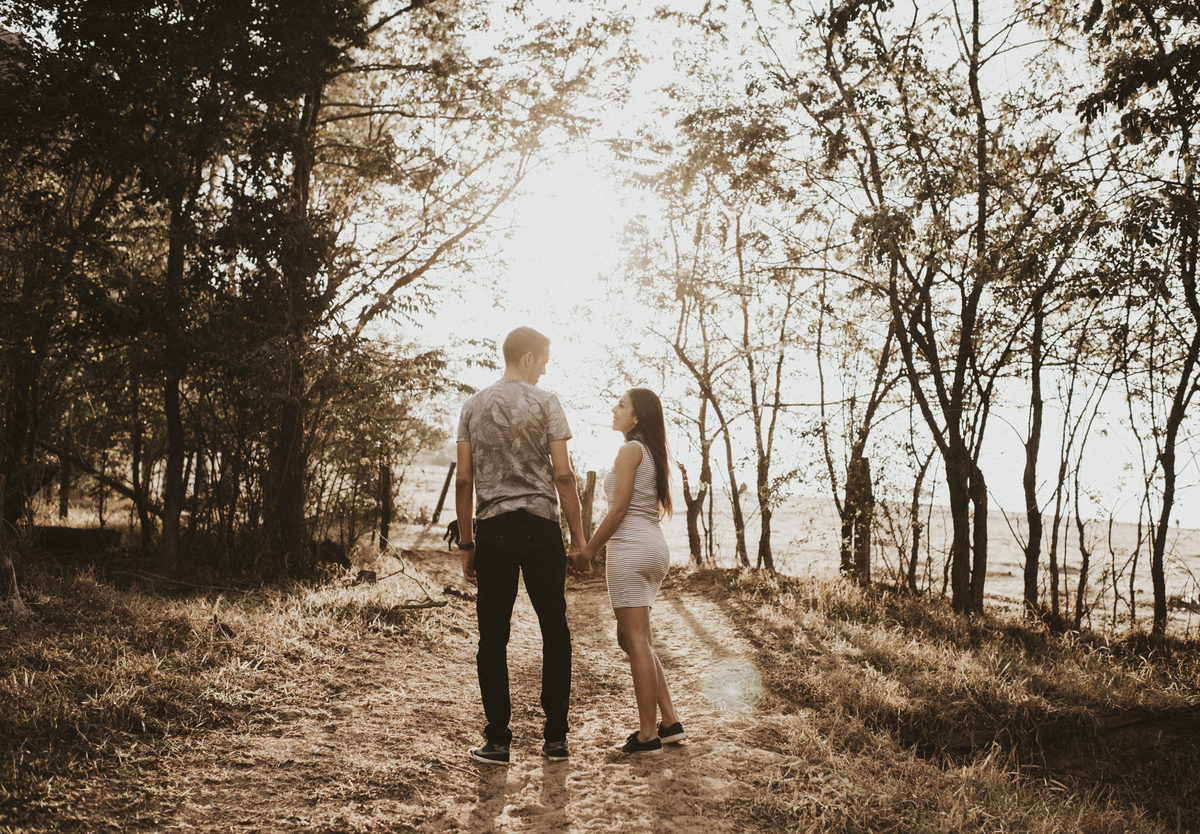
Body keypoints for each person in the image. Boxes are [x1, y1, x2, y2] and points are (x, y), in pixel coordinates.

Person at [455, 326, 591, 766]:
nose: (545, 369)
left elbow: (463, 479)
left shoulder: (472, 407)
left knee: (493, 637)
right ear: (529, 358)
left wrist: (466, 543)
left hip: (493, 528)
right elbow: (564, 475)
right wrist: (579, 538)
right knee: (555, 629)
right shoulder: (547, 402)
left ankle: (497, 740)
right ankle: (555, 738)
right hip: (539, 527)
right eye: (545, 360)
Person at [579, 387, 684, 755]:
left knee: (636, 641)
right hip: (652, 548)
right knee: (633, 640)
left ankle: (646, 734)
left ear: (637, 418)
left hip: (631, 550)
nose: (614, 408)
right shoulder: (651, 453)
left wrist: (587, 551)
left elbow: (619, 508)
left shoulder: (629, 450)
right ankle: (669, 722)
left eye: (621, 405)